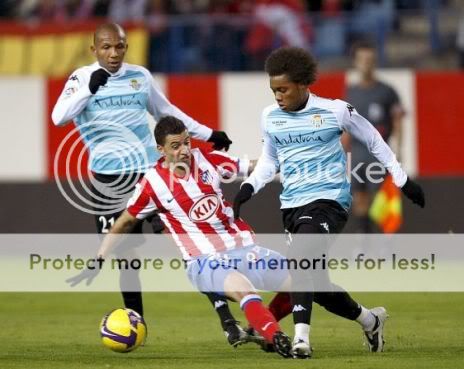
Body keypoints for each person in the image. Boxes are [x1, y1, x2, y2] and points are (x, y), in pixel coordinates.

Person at [53, 23, 245, 346]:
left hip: (150, 174)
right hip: (108, 182)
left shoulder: (139, 76)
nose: (113, 54)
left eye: (119, 47)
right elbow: (58, 117)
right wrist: (89, 89)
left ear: (126, 47)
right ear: (94, 50)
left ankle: (228, 322)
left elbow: (166, 112)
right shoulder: (82, 78)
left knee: (191, 248)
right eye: (106, 48)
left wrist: (208, 134)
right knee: (127, 260)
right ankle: (135, 325)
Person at [233, 46, 425, 358]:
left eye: (283, 89)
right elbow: (270, 160)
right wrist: (249, 187)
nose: (277, 96)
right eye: (273, 90)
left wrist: (402, 179)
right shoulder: (270, 117)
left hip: (330, 200)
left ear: (303, 84)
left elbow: (374, 139)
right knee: (316, 285)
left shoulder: (335, 111)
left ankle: (301, 340)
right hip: (291, 205)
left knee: (300, 260)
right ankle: (370, 319)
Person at [70, 115, 294, 358]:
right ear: (161, 149)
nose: (185, 150)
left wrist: (286, 157)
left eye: (187, 142)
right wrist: (99, 257)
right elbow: (123, 223)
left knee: (303, 281)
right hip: (204, 260)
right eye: (176, 146)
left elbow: (252, 165)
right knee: (245, 291)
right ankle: (272, 334)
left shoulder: (206, 159)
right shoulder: (151, 185)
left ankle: (256, 328)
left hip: (242, 247)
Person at [345, 40, 406, 233]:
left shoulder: (387, 91)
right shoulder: (351, 91)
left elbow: (397, 121)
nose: (366, 63)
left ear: (375, 61)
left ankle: (385, 247)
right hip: (357, 153)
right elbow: (347, 124)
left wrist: (398, 149)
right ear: (355, 62)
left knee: (382, 199)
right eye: (362, 59)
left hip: (378, 152)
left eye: (370, 59)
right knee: (359, 198)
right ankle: (364, 242)